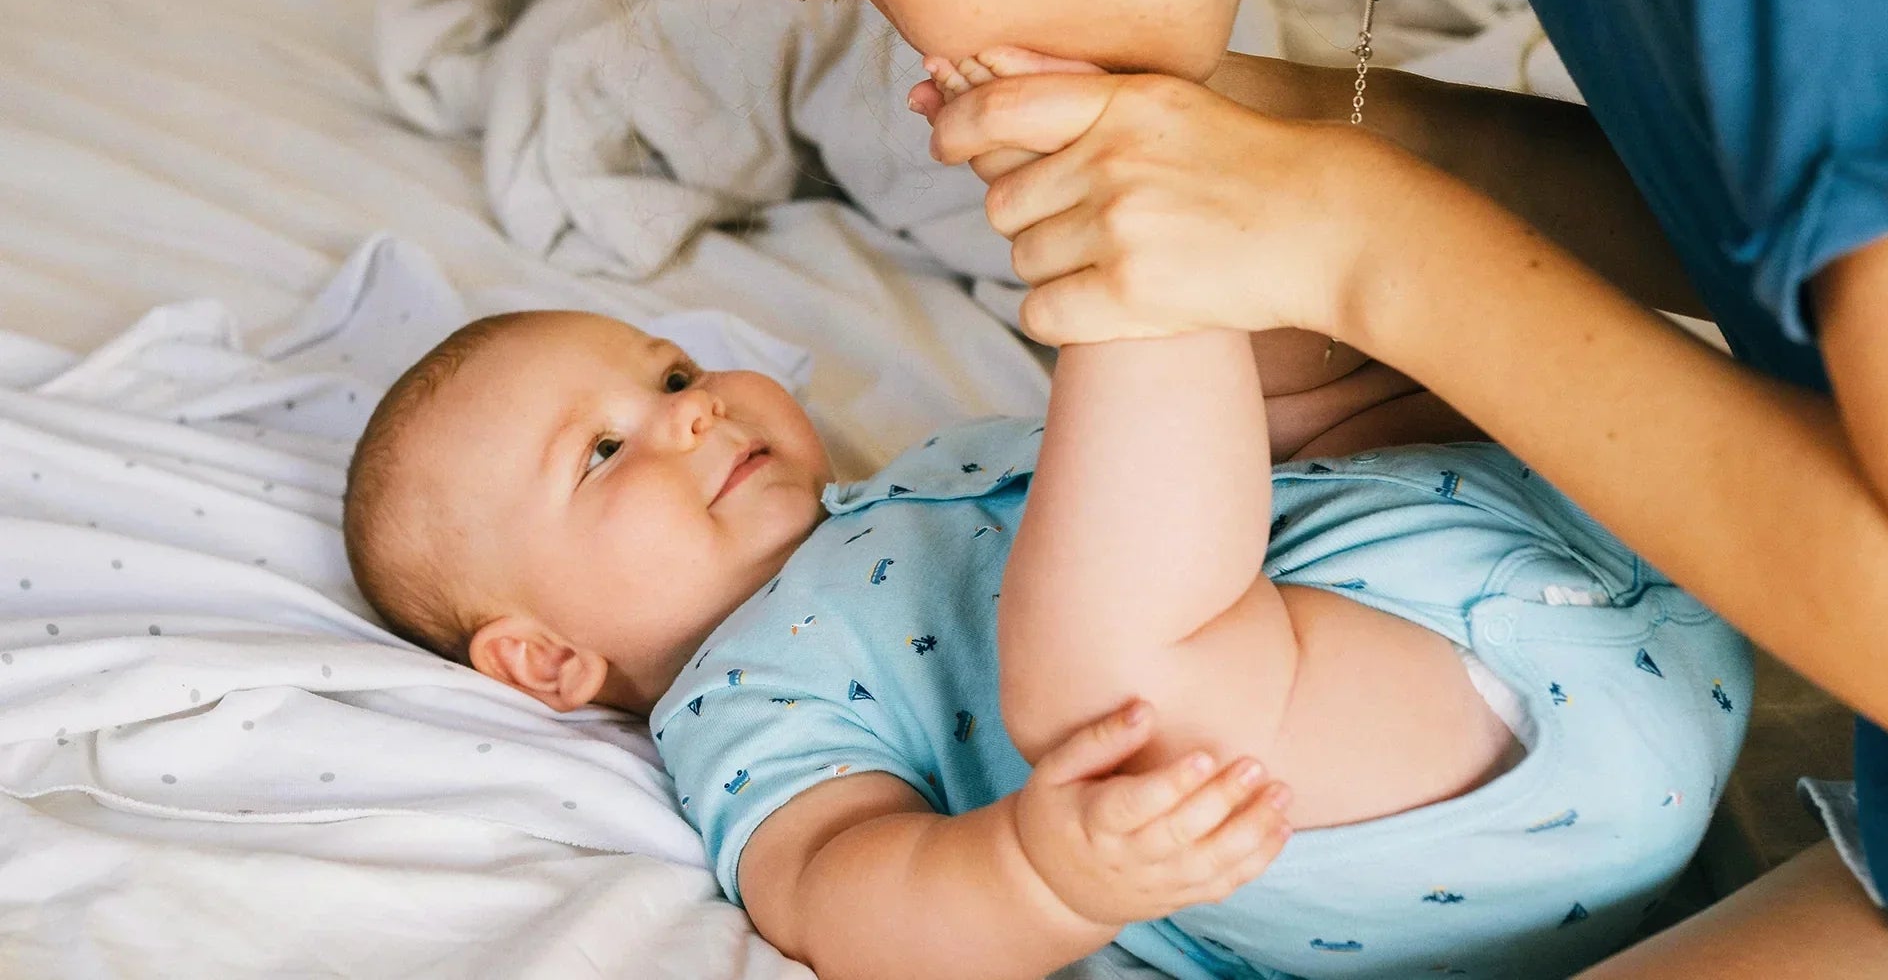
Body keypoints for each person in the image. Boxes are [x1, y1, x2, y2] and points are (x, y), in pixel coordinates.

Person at [602, 0, 1888, 973]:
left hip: (1688, 645)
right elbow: (1769, 215)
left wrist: (1361, 246)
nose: (913, 38)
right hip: (1568, 665)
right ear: (538, 656)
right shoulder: (740, 707)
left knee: (1119, 703)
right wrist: (1330, 155)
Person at [341, 308, 1747, 979]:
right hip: (1430, 783)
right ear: (544, 662)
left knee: (1256, 358)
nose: (691, 413)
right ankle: (1153, 274)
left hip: (1585, 550)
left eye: (672, 372)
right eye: (603, 450)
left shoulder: (929, 466)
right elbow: (837, 891)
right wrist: (1038, 871)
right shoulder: (738, 697)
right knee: (1122, 677)